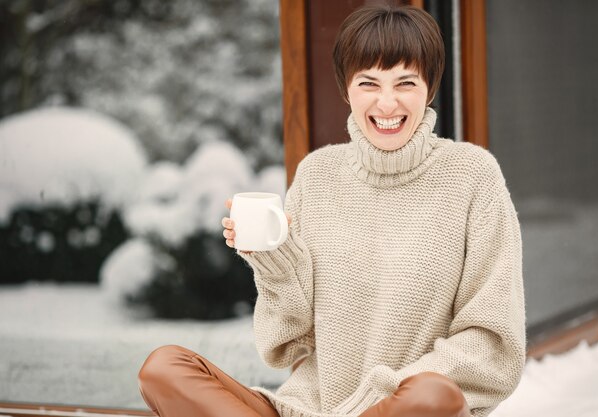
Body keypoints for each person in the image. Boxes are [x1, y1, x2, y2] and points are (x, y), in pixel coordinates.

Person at [138, 5, 525, 417]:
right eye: (369, 83)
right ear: (347, 90)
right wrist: (274, 259)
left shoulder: (472, 176)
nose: (388, 103)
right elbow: (288, 342)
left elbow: (492, 346)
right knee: (163, 369)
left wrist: (376, 397)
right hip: (309, 407)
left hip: (402, 411)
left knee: (433, 395)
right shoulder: (317, 174)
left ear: (429, 88)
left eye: (405, 83)